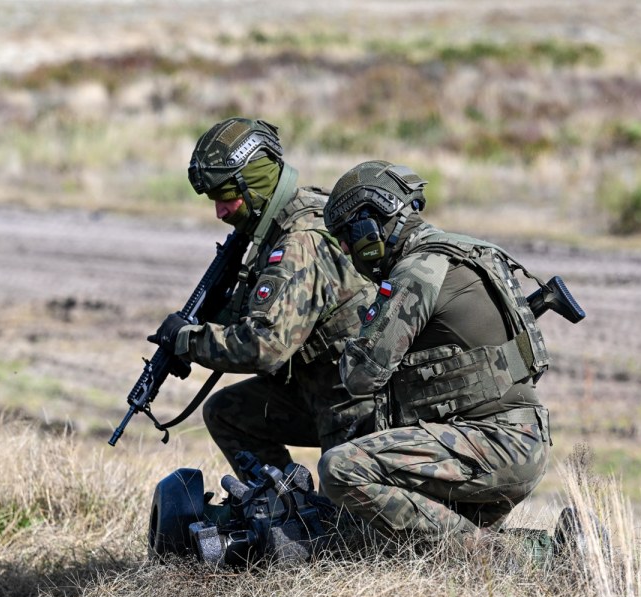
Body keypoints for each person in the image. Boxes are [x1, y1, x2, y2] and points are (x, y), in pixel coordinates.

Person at [316, 160, 552, 547]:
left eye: (346, 235)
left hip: (492, 445)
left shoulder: (418, 271)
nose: (344, 248)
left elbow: (360, 376)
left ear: (370, 224)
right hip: (517, 440)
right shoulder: (468, 251)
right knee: (377, 535)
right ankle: (549, 551)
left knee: (342, 470)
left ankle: (502, 558)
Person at [148, 118, 376, 475]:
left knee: (344, 530)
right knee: (228, 412)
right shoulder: (290, 217)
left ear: (253, 185)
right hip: (323, 392)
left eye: (225, 196)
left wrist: (187, 341)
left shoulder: (298, 242)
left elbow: (264, 347)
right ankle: (282, 508)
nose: (220, 211)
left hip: (356, 406)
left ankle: (301, 523)